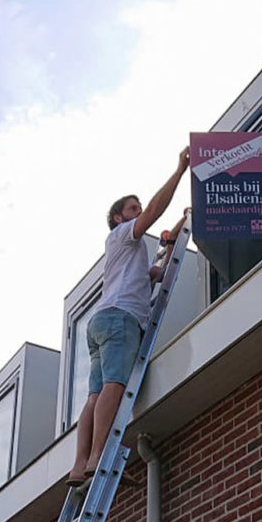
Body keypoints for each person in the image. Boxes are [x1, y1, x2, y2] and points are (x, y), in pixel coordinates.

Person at [67, 146, 190, 487]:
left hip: (102, 323)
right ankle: (98, 456)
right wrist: (179, 171)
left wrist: (185, 219)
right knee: (115, 386)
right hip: (120, 320)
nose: (139, 213)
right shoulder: (122, 234)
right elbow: (153, 211)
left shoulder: (131, 253)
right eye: (132, 209)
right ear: (119, 218)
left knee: (94, 395)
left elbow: (159, 269)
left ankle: (79, 466)